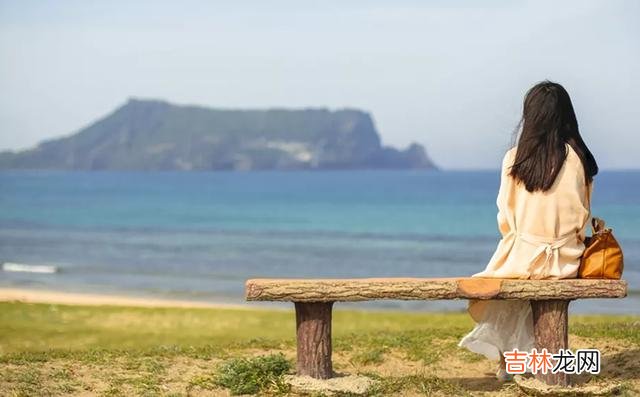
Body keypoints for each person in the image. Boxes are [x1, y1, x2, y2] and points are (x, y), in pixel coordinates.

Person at [458, 80, 598, 381]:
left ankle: (512, 360)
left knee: (508, 276)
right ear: (566, 115)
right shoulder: (579, 158)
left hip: (523, 256)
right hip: (565, 261)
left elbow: (505, 218)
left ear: (530, 116)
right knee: (529, 284)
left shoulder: (514, 158)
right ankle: (530, 361)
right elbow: (582, 217)